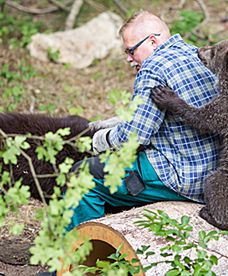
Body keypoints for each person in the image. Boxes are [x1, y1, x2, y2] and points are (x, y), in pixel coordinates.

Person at [37, 11, 220, 276]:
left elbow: (133, 137)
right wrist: (111, 123)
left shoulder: (154, 67)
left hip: (183, 175)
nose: (128, 58)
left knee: (85, 175)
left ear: (153, 42)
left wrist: (97, 140)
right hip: (213, 175)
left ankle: (69, 265)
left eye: (131, 50)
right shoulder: (194, 53)